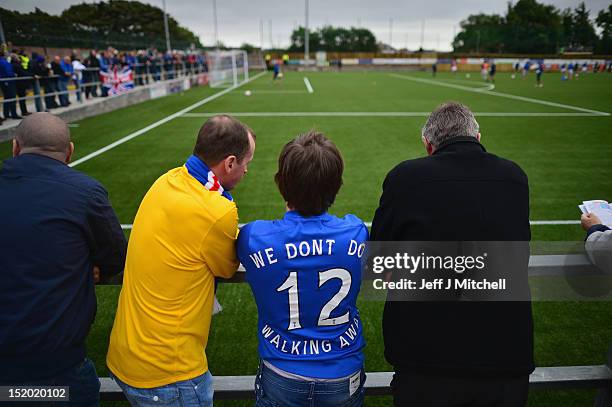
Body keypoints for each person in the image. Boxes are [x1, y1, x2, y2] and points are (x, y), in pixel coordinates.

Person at [371, 102, 533, 407]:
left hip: (425, 357)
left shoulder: (405, 177)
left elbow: (379, 261)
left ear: (429, 145)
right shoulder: (514, 177)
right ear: (478, 136)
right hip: (505, 353)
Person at [107, 115, 255, 406]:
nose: (247, 169)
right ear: (228, 163)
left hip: (126, 354)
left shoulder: (166, 180)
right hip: (169, 372)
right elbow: (226, 266)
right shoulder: (217, 209)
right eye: (245, 162)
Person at [0, 113, 127, 406]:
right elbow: (116, 258)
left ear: (15, 147)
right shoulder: (85, 192)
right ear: (69, 151)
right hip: (56, 371)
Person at [238, 132, 368, 407]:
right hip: (342, 374)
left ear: (281, 184)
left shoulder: (254, 237)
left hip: (282, 373)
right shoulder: (355, 232)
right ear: (337, 185)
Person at [0, 50, 20, 120]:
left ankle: (6, 114)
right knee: (12, 98)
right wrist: (14, 75)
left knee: (7, 98)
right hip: (9, 82)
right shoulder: (5, 62)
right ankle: (14, 114)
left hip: (3, 82)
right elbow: (9, 72)